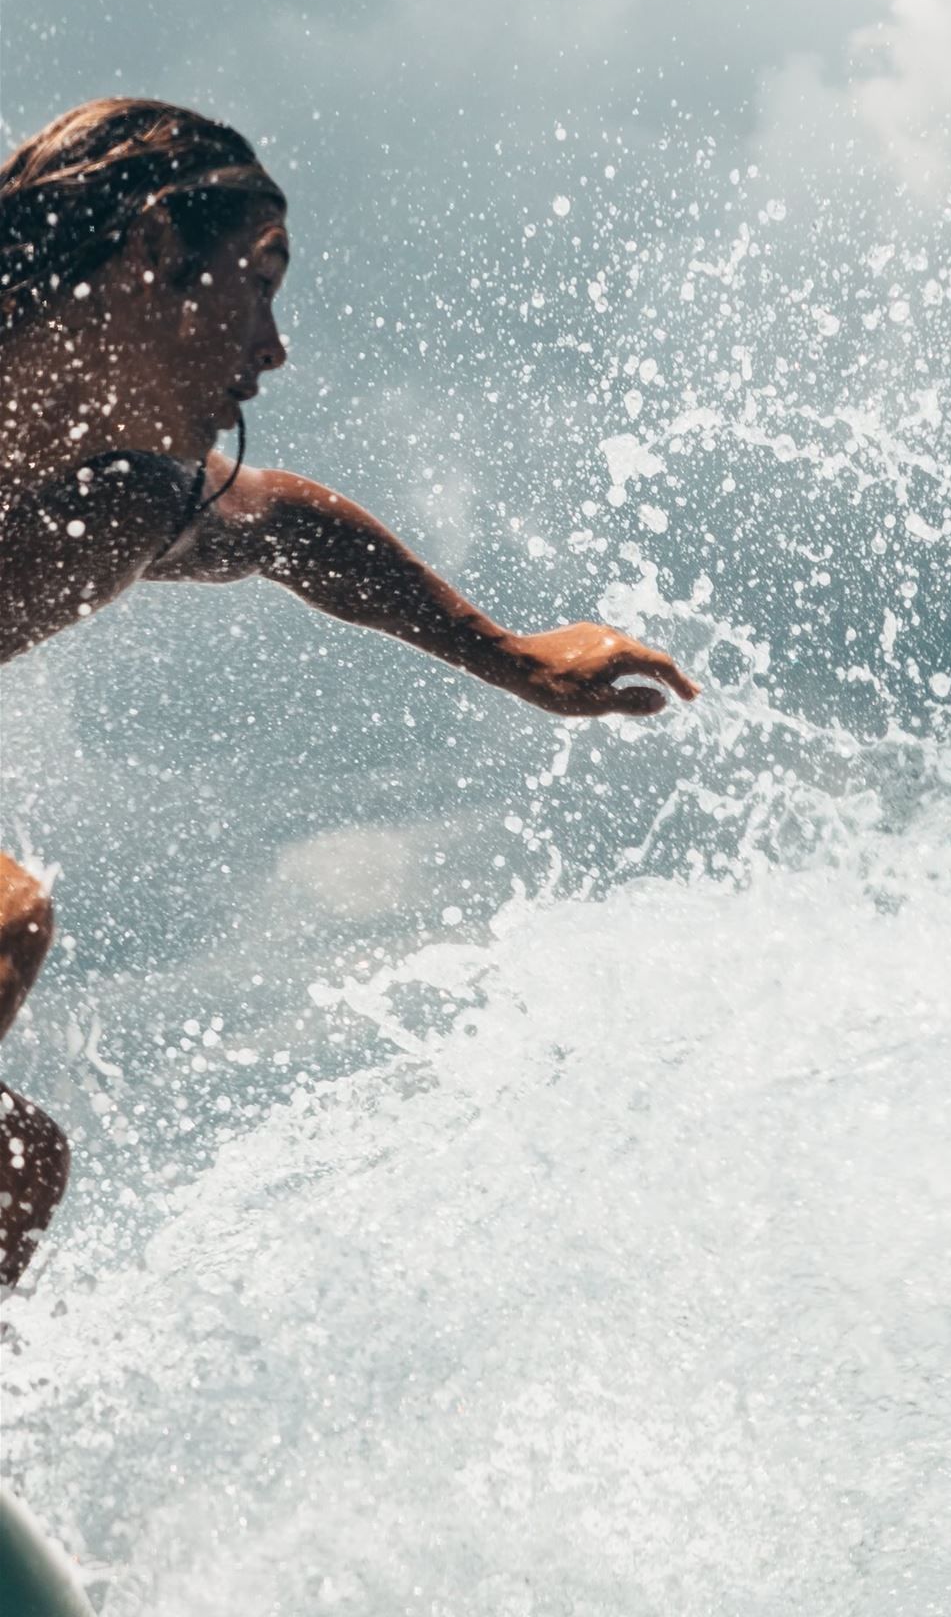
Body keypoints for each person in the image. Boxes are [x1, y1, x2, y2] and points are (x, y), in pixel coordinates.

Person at [0, 98, 699, 1289]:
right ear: (155, 248)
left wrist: (515, 659)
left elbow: (279, 526)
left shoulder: (113, 502)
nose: (274, 349)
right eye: (257, 280)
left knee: (16, 1167)